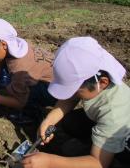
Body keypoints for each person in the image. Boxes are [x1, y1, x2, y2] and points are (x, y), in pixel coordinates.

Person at [22, 36, 130, 168]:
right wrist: (49, 121)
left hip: (124, 141)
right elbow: (71, 98)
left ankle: (109, 152)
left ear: (102, 82)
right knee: (69, 122)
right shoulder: (94, 78)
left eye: (75, 90)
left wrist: (50, 162)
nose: (72, 94)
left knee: (74, 151)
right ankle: (97, 142)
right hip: (103, 120)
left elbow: (99, 163)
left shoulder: (113, 113)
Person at [0, 18, 57, 121]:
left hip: (54, 93)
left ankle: (33, 113)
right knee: (7, 80)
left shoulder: (19, 68)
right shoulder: (17, 45)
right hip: (52, 77)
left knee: (19, 96)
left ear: (3, 44)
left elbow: (19, 103)